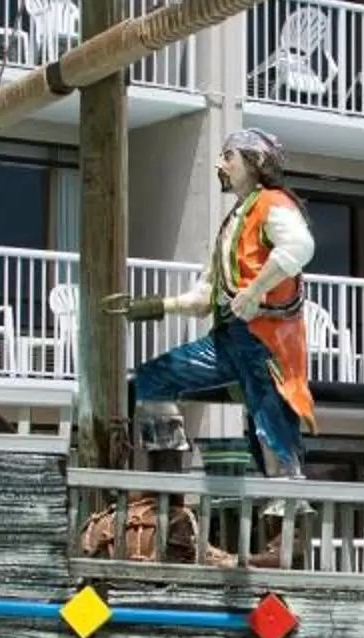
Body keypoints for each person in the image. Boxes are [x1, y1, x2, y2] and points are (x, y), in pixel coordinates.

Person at [104, 127, 317, 478]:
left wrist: (255, 289)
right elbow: (205, 298)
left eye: (228, 156)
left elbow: (299, 247)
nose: (220, 163)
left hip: (267, 340)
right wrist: (152, 306)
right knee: (150, 380)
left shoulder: (273, 204)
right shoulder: (232, 222)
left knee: (270, 420)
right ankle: (166, 469)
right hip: (228, 339)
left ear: (257, 161)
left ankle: (286, 498)